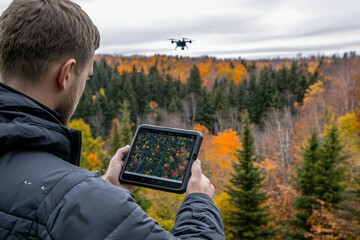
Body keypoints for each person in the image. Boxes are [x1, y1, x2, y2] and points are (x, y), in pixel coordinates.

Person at [0, 0, 225, 239]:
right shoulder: (77, 198)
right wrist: (199, 205)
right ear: (66, 74)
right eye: (87, 77)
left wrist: (106, 188)